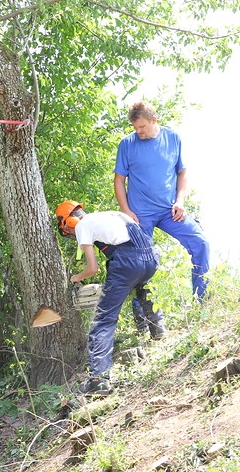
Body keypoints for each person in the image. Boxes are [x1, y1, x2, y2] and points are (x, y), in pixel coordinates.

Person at [55, 200, 159, 396]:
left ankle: (99, 379)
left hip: (128, 263)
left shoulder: (84, 225)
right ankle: (157, 329)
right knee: (142, 288)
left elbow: (92, 268)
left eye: (67, 230)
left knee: (103, 320)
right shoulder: (110, 215)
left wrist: (76, 277)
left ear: (68, 221)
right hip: (150, 258)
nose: (70, 233)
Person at [114, 100, 211, 304]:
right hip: (140, 216)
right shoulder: (127, 144)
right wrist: (126, 211)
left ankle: (202, 302)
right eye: (135, 127)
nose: (138, 131)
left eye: (142, 126)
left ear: (153, 120)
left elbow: (182, 173)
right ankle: (145, 320)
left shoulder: (173, 138)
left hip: (169, 211)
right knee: (141, 264)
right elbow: (119, 180)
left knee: (200, 243)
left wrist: (180, 202)